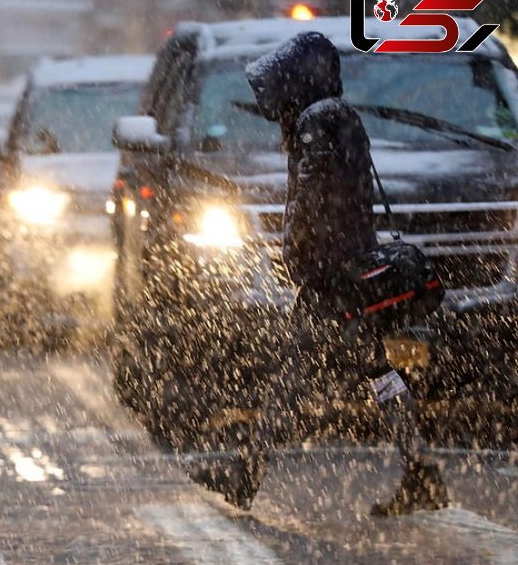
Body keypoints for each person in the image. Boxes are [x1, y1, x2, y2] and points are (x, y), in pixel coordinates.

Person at [189, 32, 449, 516]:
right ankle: (420, 470)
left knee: (292, 377)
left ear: (298, 78)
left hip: (332, 279)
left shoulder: (316, 122)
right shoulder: (338, 115)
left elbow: (311, 205)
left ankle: (249, 473)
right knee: (379, 372)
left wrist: (306, 263)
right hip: (352, 269)